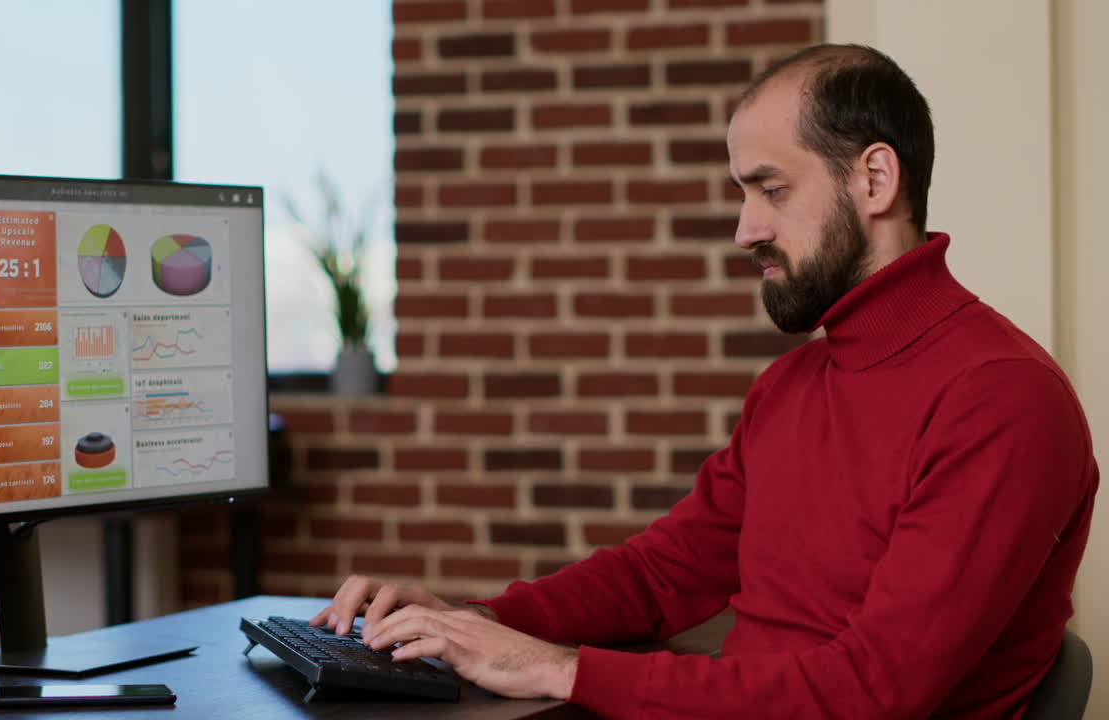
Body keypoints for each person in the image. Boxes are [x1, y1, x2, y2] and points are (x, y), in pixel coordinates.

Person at [311, 43, 1098, 719]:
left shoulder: (1002, 399)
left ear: (875, 179)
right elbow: (662, 577)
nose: (745, 229)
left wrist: (558, 669)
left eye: (772, 189)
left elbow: (872, 695)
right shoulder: (792, 386)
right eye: (742, 194)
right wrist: (471, 619)